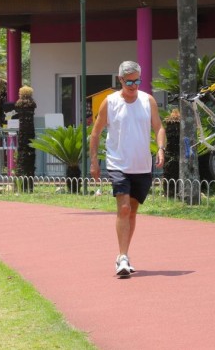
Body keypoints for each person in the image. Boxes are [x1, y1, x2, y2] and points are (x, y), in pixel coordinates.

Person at [89, 60, 166, 277]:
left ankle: (124, 253)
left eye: (137, 80)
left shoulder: (147, 100)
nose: (133, 85)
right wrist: (94, 161)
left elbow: (158, 127)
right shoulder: (110, 102)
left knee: (132, 212)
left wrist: (160, 148)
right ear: (120, 80)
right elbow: (95, 133)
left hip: (142, 165)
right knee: (123, 208)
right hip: (118, 163)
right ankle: (122, 257)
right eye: (129, 81)